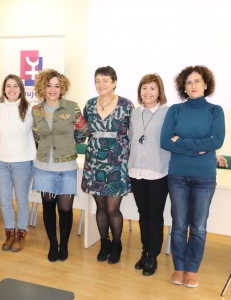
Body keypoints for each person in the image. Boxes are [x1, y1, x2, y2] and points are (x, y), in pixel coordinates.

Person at [160, 65, 225, 288]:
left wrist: (182, 142)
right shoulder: (175, 111)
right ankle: (179, 268)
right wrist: (198, 147)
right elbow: (165, 141)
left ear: (206, 84)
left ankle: (192, 269)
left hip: (204, 176)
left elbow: (216, 142)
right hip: (178, 175)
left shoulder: (215, 111)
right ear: (183, 87)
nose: (193, 85)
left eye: (197, 81)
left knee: (198, 226)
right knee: (178, 225)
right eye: (188, 82)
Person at [32, 69, 88, 262]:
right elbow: (35, 134)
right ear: (43, 88)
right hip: (43, 165)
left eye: (57, 85)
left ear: (62, 88)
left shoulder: (72, 107)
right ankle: (53, 244)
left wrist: (70, 141)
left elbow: (84, 131)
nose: (53, 89)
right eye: (49, 85)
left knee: (65, 209)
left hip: (66, 166)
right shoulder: (36, 110)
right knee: (47, 206)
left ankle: (64, 244)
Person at [81, 66, 134, 265]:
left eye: (105, 80)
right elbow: (83, 132)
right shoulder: (89, 104)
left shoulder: (126, 105)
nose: (101, 84)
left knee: (113, 209)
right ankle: (104, 243)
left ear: (114, 82)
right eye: (97, 80)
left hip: (117, 162)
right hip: (95, 160)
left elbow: (135, 134)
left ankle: (117, 244)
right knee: (100, 206)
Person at [128, 74, 169, 276]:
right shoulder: (135, 113)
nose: (148, 92)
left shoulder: (167, 112)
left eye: (152, 88)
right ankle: (145, 251)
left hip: (158, 171)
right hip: (136, 170)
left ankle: (153, 255)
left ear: (159, 91)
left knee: (155, 215)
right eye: (144, 88)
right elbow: (130, 139)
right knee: (143, 214)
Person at [0, 74, 36, 252]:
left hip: (22, 162)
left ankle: (21, 234)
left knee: (21, 200)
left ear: (21, 89)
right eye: (8, 86)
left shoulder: (30, 109)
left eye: (15, 86)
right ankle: (9, 233)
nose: (11, 89)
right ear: (4, 89)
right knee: (4, 200)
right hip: (2, 161)